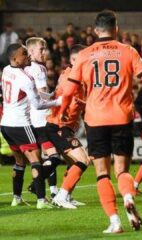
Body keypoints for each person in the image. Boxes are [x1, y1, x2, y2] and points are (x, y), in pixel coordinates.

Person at [60, 10, 142, 233]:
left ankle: (114, 222)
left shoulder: (84, 54)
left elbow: (69, 90)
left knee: (102, 173)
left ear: (95, 30)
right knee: (122, 171)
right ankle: (129, 195)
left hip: (95, 118)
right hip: (122, 117)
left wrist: (64, 111)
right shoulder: (128, 51)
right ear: (116, 29)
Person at [1, 43, 61, 209]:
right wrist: (58, 102)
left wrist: (50, 95)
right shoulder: (25, 78)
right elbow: (38, 105)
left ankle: (16, 198)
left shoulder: (6, 70)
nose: (28, 56)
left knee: (19, 162)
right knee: (36, 161)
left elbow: (34, 95)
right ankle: (42, 201)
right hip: (21, 124)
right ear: (15, 59)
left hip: (5, 124)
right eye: (24, 54)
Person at [46, 44, 89, 209]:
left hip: (66, 126)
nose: (77, 63)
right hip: (58, 125)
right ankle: (61, 196)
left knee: (73, 163)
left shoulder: (78, 76)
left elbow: (80, 102)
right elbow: (65, 96)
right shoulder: (70, 76)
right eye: (74, 60)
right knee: (83, 160)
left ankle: (66, 196)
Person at [25, 37, 63, 198]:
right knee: (54, 156)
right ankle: (37, 185)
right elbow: (43, 95)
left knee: (45, 157)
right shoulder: (39, 69)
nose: (44, 52)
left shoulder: (24, 68)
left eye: (45, 48)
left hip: (30, 119)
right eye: (41, 49)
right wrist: (59, 96)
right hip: (42, 118)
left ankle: (53, 192)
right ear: (31, 51)